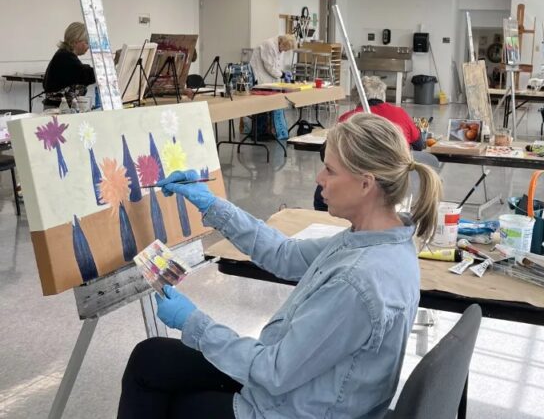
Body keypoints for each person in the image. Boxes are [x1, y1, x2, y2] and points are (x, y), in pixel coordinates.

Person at [118, 113, 442, 419]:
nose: (319, 179)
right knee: (152, 359)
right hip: (303, 383)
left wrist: (193, 322)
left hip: (294, 405)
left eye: (329, 170)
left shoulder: (358, 280)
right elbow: (285, 254)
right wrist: (213, 205)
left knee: (174, 403)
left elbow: (272, 372)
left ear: (366, 184)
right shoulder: (378, 237)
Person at [314, 76, 424, 211]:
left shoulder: (350, 118)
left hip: (361, 183)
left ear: (356, 98)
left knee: (321, 198)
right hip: (393, 181)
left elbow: (326, 152)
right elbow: (419, 145)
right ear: (382, 94)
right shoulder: (399, 113)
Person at [42, 21, 95, 109]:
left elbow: (81, 71)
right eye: (86, 42)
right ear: (75, 42)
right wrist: (109, 63)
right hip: (57, 109)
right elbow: (85, 74)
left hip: (60, 107)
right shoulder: (64, 57)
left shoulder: (65, 55)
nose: (88, 46)